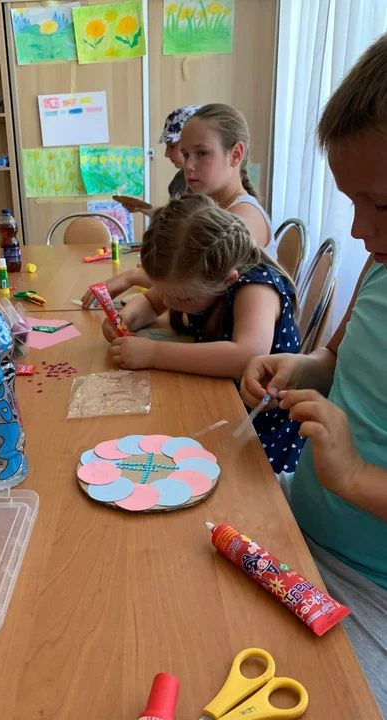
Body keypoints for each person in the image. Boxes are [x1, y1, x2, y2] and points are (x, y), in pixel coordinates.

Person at [241, 34, 387, 715]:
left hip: (368, 590)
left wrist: (356, 477)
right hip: (298, 525)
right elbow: (337, 361)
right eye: (351, 200)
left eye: (379, 204)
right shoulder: (379, 264)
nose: (360, 229)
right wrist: (300, 366)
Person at [103, 194, 303, 472]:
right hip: (218, 399)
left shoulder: (257, 287)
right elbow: (151, 301)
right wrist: (127, 319)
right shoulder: (196, 278)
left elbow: (245, 357)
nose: (171, 304)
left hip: (260, 426)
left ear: (227, 281)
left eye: (182, 300)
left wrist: (153, 353)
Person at [81, 103, 275, 309]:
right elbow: (172, 291)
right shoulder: (206, 209)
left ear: (235, 155)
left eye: (201, 153)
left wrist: (132, 277)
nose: (189, 166)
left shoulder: (245, 217)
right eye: (186, 154)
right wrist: (131, 315)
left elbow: (192, 280)